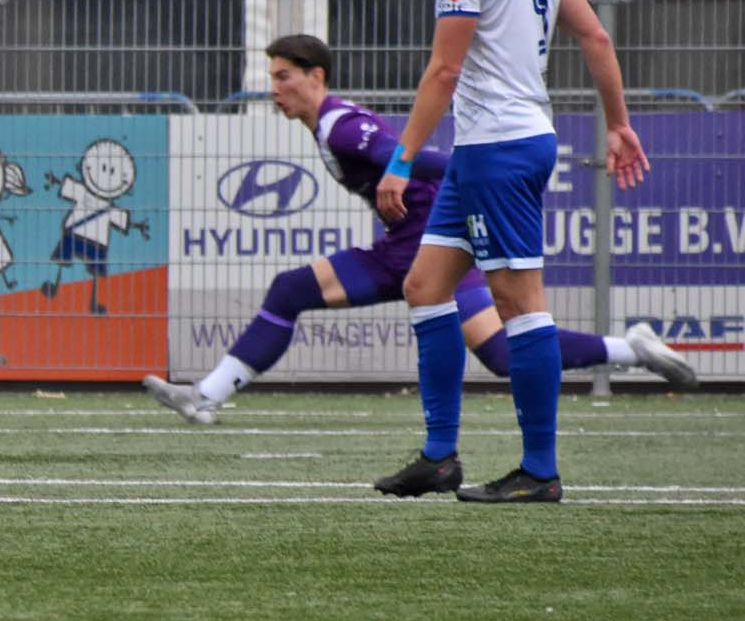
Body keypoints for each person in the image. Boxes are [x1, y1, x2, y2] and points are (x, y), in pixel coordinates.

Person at [143, 34, 694, 427]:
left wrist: (468, 173)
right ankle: (204, 397)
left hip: (430, 246)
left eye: (283, 76)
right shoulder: (331, 124)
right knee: (293, 292)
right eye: (272, 78)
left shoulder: (340, 127)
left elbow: (407, 158)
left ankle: (628, 350)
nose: (274, 88)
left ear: (316, 77)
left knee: (499, 351)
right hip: (408, 247)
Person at [374, 0, 650, 504]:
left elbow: (444, 70)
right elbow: (595, 35)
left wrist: (401, 160)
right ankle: (439, 457)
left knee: (519, 304)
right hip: (495, 147)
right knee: (425, 286)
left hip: (497, 149)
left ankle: (540, 471)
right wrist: (618, 122)